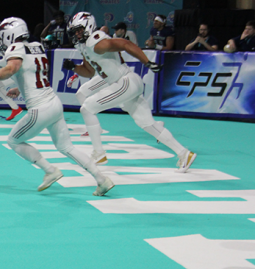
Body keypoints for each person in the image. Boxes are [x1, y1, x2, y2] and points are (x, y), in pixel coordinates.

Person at [0, 17, 114, 196]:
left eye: (2, 34)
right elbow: (33, 71)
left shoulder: (15, 48)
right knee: (67, 147)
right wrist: (20, 88)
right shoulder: (37, 46)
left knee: (13, 140)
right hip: (54, 103)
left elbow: (13, 68)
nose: (0, 38)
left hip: (39, 108)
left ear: (10, 33)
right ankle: (102, 179)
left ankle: (49, 170)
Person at [64, 12, 196, 172]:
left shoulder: (96, 41)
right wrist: (74, 68)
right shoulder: (85, 45)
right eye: (74, 32)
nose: (76, 34)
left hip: (124, 82)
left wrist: (146, 62)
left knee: (87, 108)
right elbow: (90, 71)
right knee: (147, 124)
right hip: (126, 83)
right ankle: (184, 153)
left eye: (79, 30)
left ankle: (98, 153)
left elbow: (125, 44)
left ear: (88, 26)